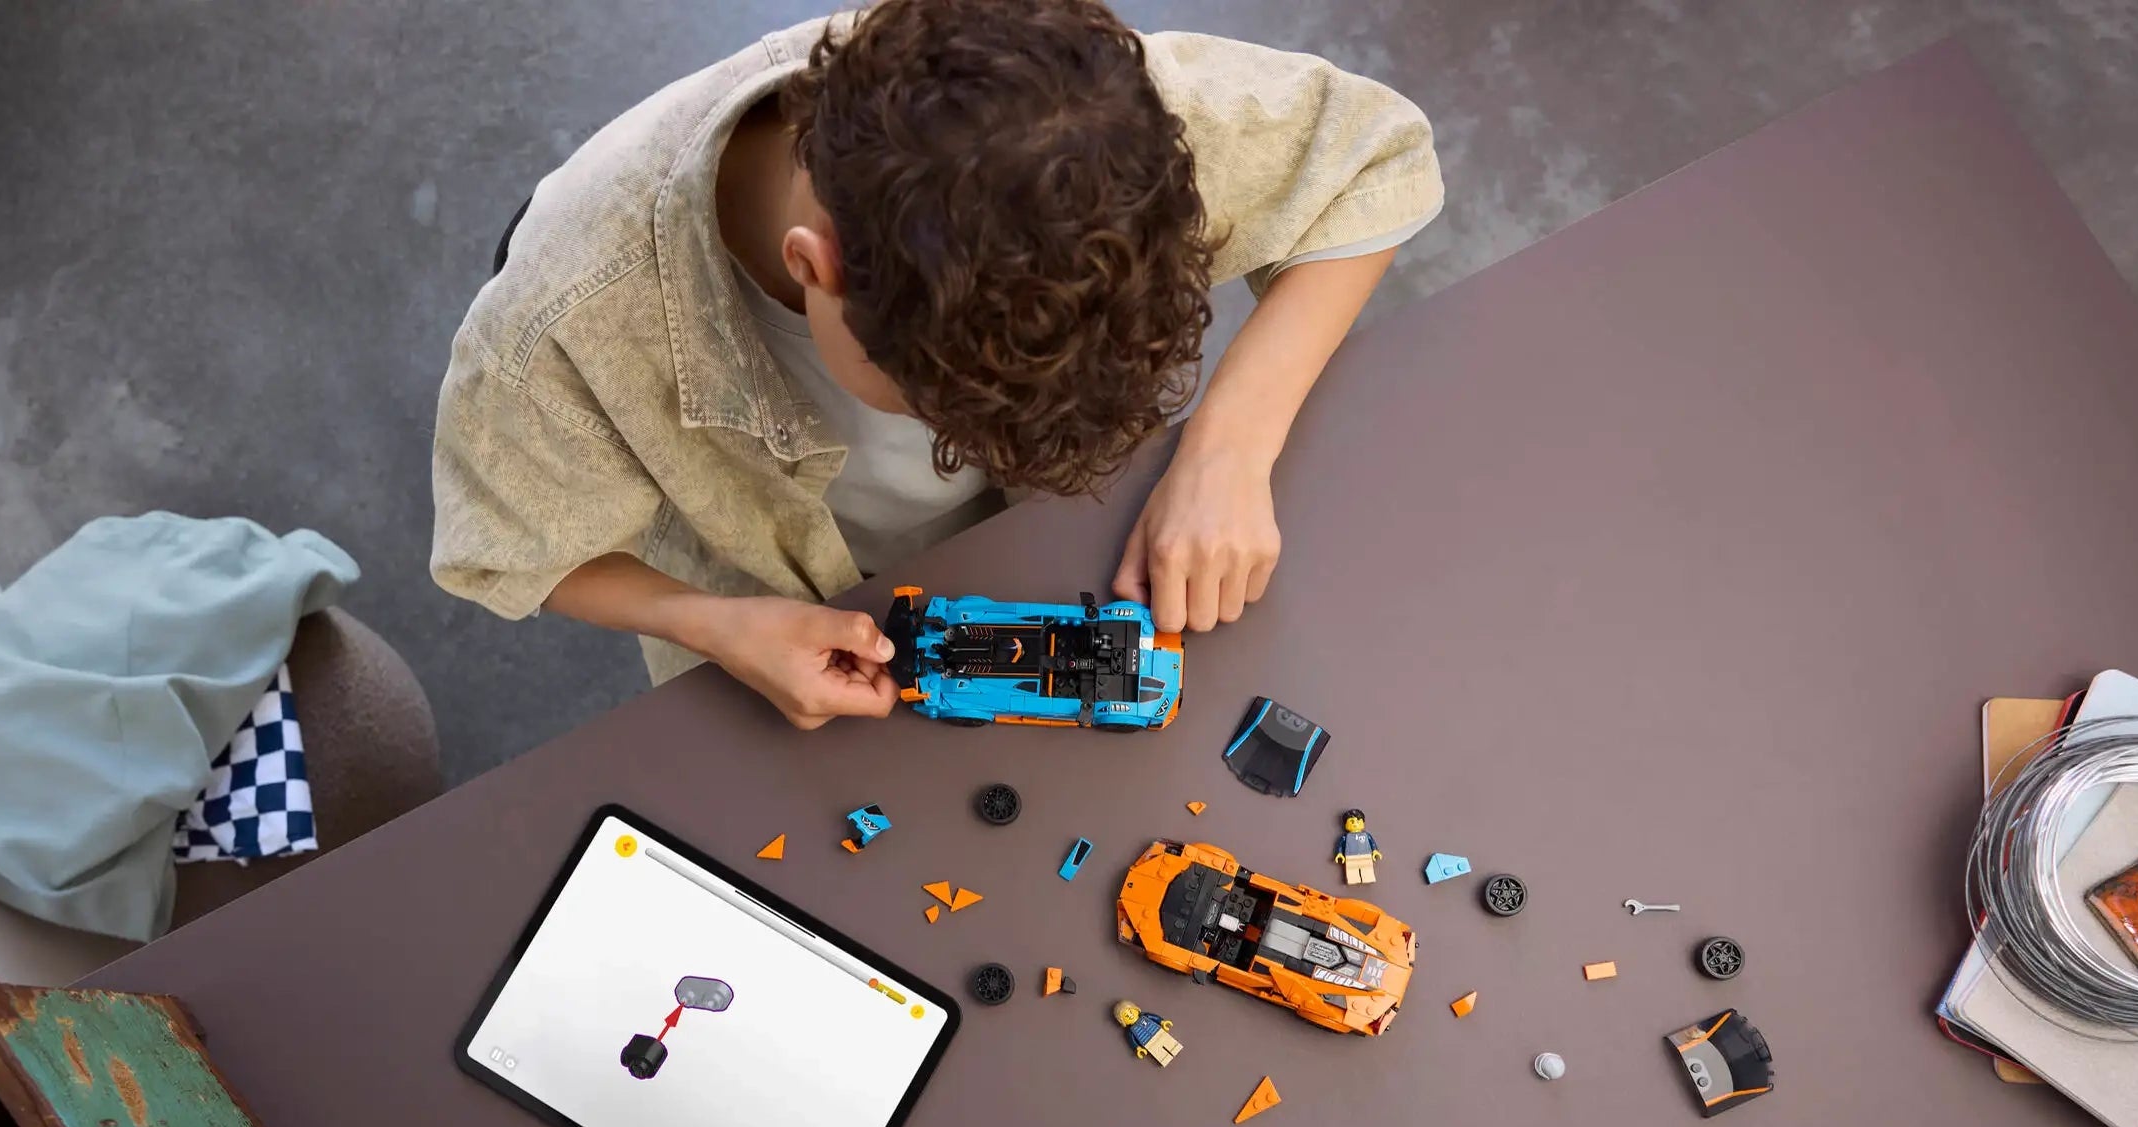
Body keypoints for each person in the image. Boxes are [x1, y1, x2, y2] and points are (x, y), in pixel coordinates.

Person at [431, 0, 1443, 730]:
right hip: (778, 608)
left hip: (1054, 549)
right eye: (943, 415)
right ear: (814, 269)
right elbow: (514, 550)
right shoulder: (560, 321)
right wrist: (712, 624)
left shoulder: (1076, 125)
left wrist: (1228, 449)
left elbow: (1375, 156)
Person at [1333, 809, 1380, 887]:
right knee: (1352, 871)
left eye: (1358, 821)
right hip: (1350, 858)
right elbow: (1340, 845)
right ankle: (1353, 879)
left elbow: (1372, 843)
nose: (1355, 824)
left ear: (1363, 822)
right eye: (1351, 822)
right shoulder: (1345, 837)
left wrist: (1375, 851)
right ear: (1345, 824)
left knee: (1367, 870)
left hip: (1366, 856)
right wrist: (1340, 853)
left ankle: (1368, 878)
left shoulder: (1366, 835)